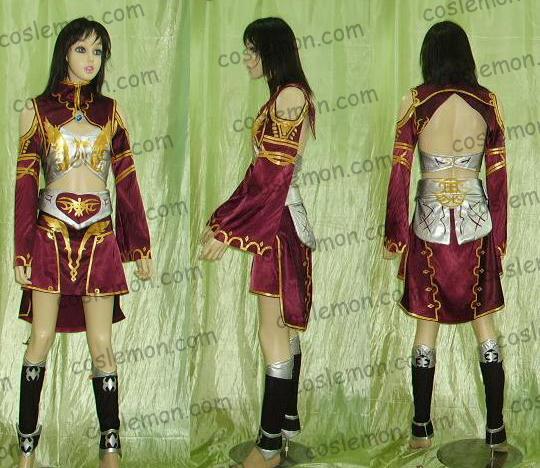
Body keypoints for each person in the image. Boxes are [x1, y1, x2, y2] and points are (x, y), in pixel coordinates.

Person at [13, 17, 152, 468]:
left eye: (98, 51)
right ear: (64, 53)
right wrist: (20, 250)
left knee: (102, 346)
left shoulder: (112, 112)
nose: (91, 59)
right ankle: (26, 450)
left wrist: (139, 245)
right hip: (48, 236)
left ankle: (111, 451)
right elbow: (24, 184)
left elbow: (126, 180)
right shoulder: (36, 111)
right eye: (81, 49)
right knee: (40, 339)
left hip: (99, 237)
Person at [384, 21, 508, 454]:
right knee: (485, 326)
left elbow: (400, 172)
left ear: (430, 57)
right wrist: (501, 237)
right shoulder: (487, 102)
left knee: (426, 326)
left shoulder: (416, 101)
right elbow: (498, 176)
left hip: (428, 227)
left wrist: (395, 235)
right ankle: (497, 432)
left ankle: (421, 430)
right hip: (477, 227)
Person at [200, 17, 316, 468]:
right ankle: (284, 426)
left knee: (273, 330)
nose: (247, 59)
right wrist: (225, 219)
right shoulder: (285, 96)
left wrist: (227, 227)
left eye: (253, 50)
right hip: (279, 220)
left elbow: (271, 175)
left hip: (278, 225)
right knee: (282, 327)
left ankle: (268, 446)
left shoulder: (289, 97)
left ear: (273, 51)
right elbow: (260, 174)